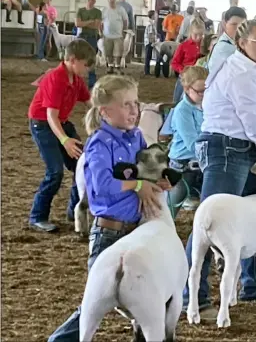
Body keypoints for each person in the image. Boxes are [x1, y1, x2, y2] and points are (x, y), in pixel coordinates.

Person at [47, 75, 171, 342]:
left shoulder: (136, 137)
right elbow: (102, 186)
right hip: (109, 233)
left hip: (137, 231)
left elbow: (143, 170)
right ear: (104, 111)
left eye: (135, 103)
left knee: (146, 301)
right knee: (92, 307)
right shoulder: (99, 143)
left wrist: (157, 180)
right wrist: (137, 185)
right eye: (126, 104)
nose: (134, 110)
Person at [182, 19, 256, 319]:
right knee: (208, 223)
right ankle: (191, 298)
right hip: (229, 148)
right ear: (241, 42)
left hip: (237, 148)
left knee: (252, 217)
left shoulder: (250, 69)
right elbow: (252, 122)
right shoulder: (241, 73)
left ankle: (251, 286)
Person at [27, 40, 96, 233]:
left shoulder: (76, 80)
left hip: (60, 123)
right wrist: (65, 140)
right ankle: (37, 216)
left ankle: (75, 210)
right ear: (73, 60)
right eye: (86, 64)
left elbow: (89, 101)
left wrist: (104, 115)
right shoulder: (55, 78)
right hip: (42, 125)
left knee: (81, 166)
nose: (88, 68)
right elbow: (50, 115)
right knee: (55, 172)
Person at [168, 66, 208, 212]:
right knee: (170, 208)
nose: (204, 94)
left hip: (201, 162)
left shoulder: (208, 106)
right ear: (186, 89)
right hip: (182, 165)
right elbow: (192, 143)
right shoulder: (182, 111)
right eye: (199, 91)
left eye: (207, 89)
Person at [171, 19, 204, 103]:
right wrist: (183, 71)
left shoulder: (205, 46)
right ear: (190, 32)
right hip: (185, 78)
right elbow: (174, 63)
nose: (199, 37)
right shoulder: (183, 46)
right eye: (196, 34)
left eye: (201, 34)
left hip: (199, 80)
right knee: (177, 101)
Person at [207, 6, 247, 73]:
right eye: (234, 24)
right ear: (225, 24)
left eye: (242, 25)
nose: (238, 28)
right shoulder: (223, 47)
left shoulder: (237, 43)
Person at [76, 0, 102, 89]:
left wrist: (84, 23)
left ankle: (92, 81)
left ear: (94, 2)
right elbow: (77, 24)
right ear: (86, 0)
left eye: (93, 0)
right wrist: (90, 21)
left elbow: (96, 26)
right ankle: (77, 80)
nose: (91, 1)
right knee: (79, 58)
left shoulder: (98, 12)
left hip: (92, 37)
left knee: (91, 59)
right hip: (81, 37)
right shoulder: (80, 10)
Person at [101, 0, 128, 74]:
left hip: (118, 35)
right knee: (108, 52)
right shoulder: (104, 10)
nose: (112, 0)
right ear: (108, 0)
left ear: (115, 0)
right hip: (107, 35)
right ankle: (110, 66)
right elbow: (101, 22)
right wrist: (100, 31)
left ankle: (117, 67)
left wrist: (124, 31)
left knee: (118, 52)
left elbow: (125, 20)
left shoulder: (121, 9)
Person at [144, 10, 157, 75]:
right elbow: (150, 34)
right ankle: (147, 71)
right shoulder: (150, 24)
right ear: (152, 16)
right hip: (149, 42)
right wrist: (153, 42)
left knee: (148, 57)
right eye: (155, 15)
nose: (156, 16)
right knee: (148, 57)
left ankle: (147, 71)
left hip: (148, 42)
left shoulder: (150, 23)